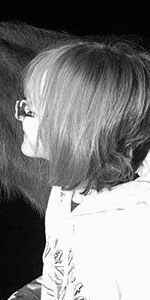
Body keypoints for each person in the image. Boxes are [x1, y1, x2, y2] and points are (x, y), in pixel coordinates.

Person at [14, 39, 150, 299]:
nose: (19, 114)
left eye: (30, 108)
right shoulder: (67, 190)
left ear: (73, 128)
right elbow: (67, 275)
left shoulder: (136, 235)